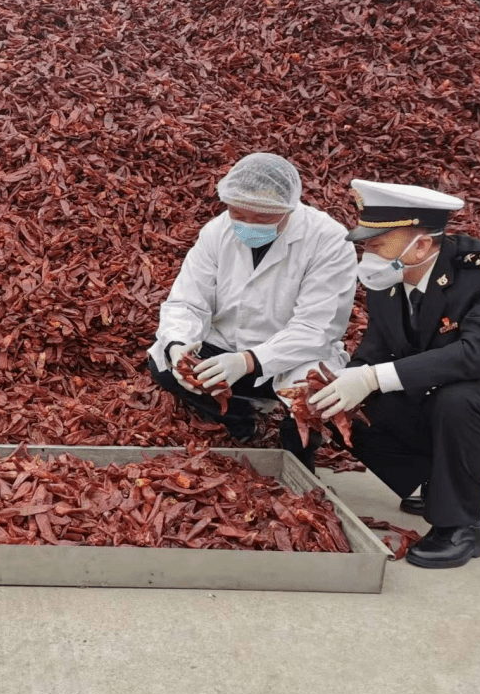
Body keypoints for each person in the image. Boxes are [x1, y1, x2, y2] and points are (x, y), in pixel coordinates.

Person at [311, 179, 480, 569]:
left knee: (459, 397)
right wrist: (333, 386)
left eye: (377, 246)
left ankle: (460, 526)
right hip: (443, 408)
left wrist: (372, 377)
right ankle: (439, 482)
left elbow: (477, 356)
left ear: (422, 245)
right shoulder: (390, 281)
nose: (368, 256)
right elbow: (372, 355)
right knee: (348, 409)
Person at [147, 152, 358, 470]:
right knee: (164, 365)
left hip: (292, 356)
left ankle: (298, 455)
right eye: (238, 214)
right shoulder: (217, 232)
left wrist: (249, 361)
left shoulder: (327, 240)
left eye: (262, 218)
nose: (246, 225)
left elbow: (317, 327)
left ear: (288, 209)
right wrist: (178, 346)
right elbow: (187, 302)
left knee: (314, 397)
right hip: (225, 347)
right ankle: (242, 419)